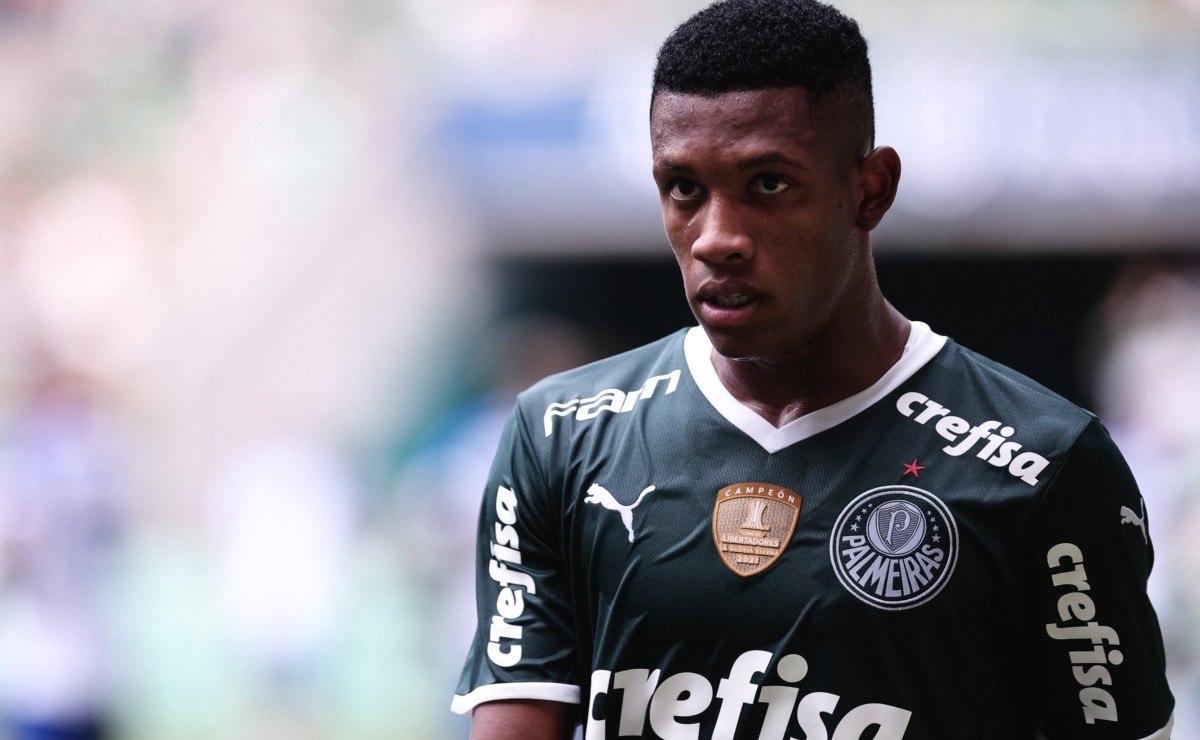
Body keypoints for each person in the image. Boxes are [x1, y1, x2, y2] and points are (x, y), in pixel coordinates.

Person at [450, 0, 1176, 737]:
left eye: (768, 183)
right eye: (684, 188)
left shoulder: (1044, 466)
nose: (716, 238)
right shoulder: (560, 437)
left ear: (871, 189)